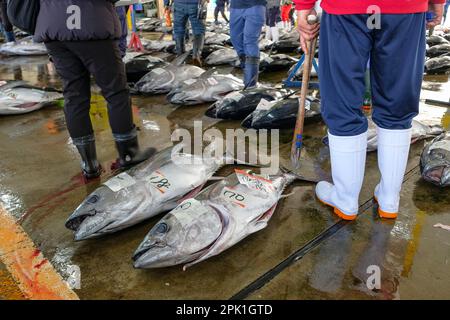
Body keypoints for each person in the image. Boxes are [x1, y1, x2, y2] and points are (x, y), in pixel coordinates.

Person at [294, 0, 444, 220]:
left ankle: (345, 199)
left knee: (342, 99)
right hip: (404, 8)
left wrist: (304, 5)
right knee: (397, 101)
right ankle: (389, 199)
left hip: (347, 9)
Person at [33, 0, 155, 179]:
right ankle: (129, 155)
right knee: (116, 93)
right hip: (92, 23)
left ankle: (88, 164)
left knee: (74, 96)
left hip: (54, 28)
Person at [230, 0, 267, 88]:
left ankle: (250, 85)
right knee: (235, 39)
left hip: (255, 6)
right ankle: (246, 70)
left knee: (250, 42)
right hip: (235, 7)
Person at [173, 0, 207, 65]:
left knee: (179, 29)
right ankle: (196, 56)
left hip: (178, 4)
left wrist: (166, 3)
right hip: (196, 4)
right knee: (198, 29)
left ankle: (180, 54)